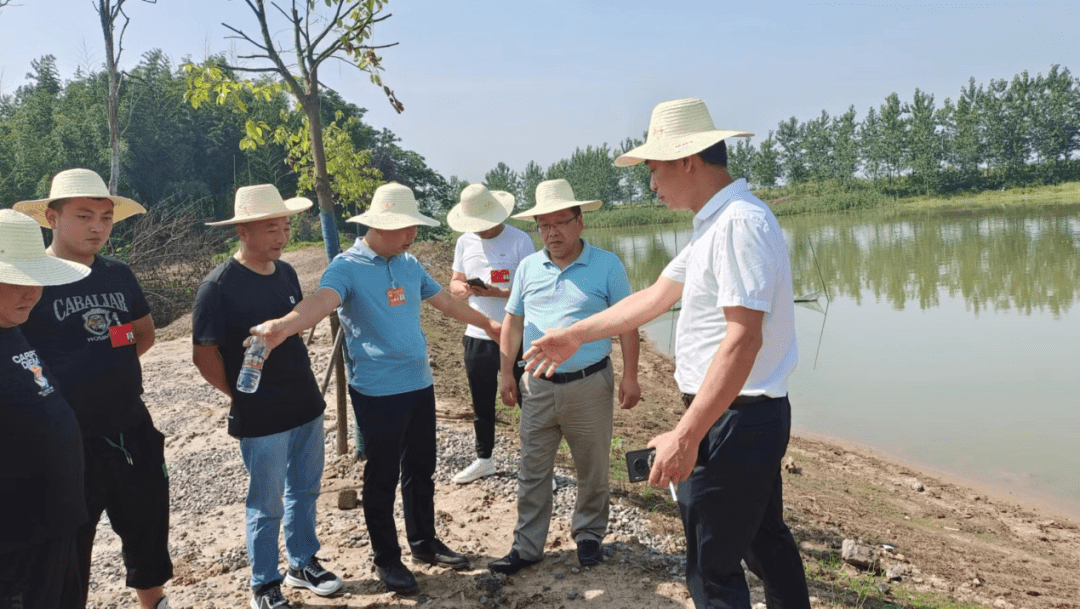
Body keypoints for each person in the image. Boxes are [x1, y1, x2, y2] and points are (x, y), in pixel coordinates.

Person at [522, 98, 811, 608]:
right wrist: (576, 334)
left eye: (654, 169)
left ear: (687, 160)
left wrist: (688, 433)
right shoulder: (714, 224)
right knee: (766, 544)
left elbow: (743, 340)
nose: (651, 183)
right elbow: (654, 297)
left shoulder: (740, 224)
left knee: (712, 567)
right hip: (733, 415)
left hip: (737, 420)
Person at [255, 182, 502, 596]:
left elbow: (446, 302)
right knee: (382, 475)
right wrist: (283, 326)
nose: (413, 236)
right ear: (381, 226)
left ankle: (424, 542)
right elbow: (321, 301)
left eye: (414, 228)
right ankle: (387, 558)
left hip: (419, 383)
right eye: (406, 228)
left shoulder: (408, 263)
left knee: (421, 467)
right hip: (377, 391)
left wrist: (489, 325)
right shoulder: (346, 267)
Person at [15, 168, 174, 609]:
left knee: (147, 529)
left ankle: (154, 602)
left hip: (130, 426)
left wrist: (105, 372)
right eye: (84, 216)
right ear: (52, 217)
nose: (97, 227)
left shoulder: (118, 275)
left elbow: (143, 334)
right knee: (69, 548)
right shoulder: (31, 280)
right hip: (68, 441)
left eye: (105, 218)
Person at [191, 184, 343, 609]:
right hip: (261, 415)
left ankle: (302, 562)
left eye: (285, 226)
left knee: (306, 489)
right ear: (243, 230)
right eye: (271, 228)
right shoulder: (218, 286)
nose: (281, 236)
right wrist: (241, 396)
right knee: (266, 502)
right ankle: (264, 582)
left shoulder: (287, 272)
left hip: (305, 404)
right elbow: (204, 357)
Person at [488, 179, 641, 575]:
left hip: (590, 383)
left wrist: (631, 377)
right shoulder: (528, 268)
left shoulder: (607, 265)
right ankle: (527, 545)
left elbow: (627, 324)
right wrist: (507, 372)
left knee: (592, 467)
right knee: (532, 468)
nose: (552, 232)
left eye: (560, 222)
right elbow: (513, 321)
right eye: (544, 225)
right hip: (536, 386)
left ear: (580, 222)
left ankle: (589, 536)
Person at [0, 209, 91, 609]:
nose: (32, 292)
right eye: (19, 280)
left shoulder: (13, 330)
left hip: (56, 526)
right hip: (15, 544)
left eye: (36, 279)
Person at [445, 183, 535, 484]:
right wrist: (464, 289)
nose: (481, 231)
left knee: (528, 400)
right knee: (481, 401)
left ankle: (535, 464)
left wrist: (498, 292)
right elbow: (454, 283)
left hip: (516, 334)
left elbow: (531, 288)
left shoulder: (520, 241)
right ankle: (484, 459)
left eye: (484, 225)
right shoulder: (464, 243)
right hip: (478, 334)